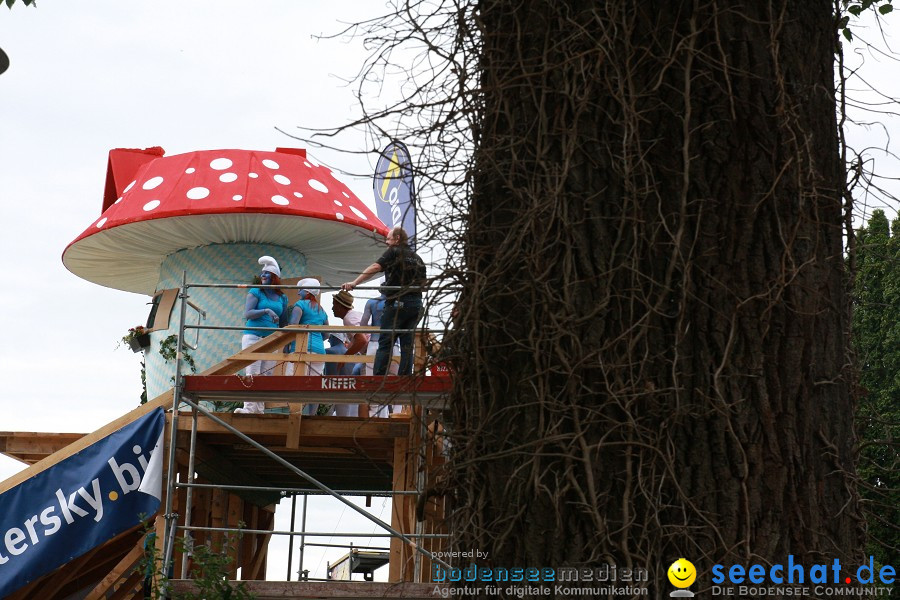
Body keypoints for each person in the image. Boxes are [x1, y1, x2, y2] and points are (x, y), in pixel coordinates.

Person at [341, 226, 426, 376]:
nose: (387, 242)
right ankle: (405, 377)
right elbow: (423, 285)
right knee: (407, 343)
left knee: (386, 341)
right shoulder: (418, 258)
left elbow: (375, 267)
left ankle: (378, 378)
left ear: (397, 239)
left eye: (388, 238)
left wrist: (355, 282)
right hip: (416, 305)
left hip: (397, 303)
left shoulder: (394, 252)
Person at [235, 255, 289, 414]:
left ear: (275, 277)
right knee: (252, 372)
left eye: (267, 273)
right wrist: (266, 310)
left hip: (271, 340)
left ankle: (259, 410)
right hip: (253, 337)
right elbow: (248, 313)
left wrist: (285, 343)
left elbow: (284, 322)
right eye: (262, 273)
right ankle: (249, 409)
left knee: (266, 375)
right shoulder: (256, 291)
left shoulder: (282, 297)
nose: (263, 276)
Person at [288, 278, 328, 415]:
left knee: (296, 383)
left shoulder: (300, 305)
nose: (299, 293)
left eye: (301, 290)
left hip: (301, 348)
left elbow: (293, 326)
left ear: (307, 291)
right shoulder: (322, 310)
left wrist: (286, 345)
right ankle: (312, 415)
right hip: (319, 350)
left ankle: (295, 414)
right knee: (315, 385)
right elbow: (327, 334)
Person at [360, 290, 400, 417]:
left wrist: (376, 326)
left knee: (373, 382)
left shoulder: (371, 302)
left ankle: (374, 416)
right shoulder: (399, 303)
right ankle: (396, 416)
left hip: (374, 344)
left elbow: (363, 325)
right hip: (393, 345)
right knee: (395, 383)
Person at [330, 289, 368, 416]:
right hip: (371, 354)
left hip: (371, 355)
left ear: (341, 306)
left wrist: (344, 358)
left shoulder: (349, 319)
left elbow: (361, 340)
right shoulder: (354, 315)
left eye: (334, 305)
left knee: (366, 393)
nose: (332, 308)